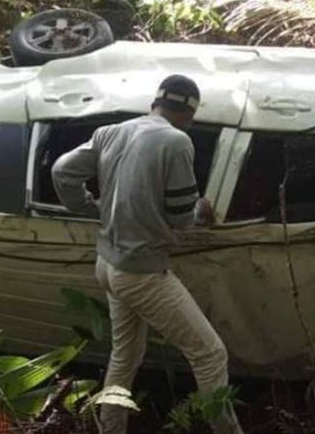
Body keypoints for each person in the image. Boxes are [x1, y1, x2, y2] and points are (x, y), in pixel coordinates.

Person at [52, 75, 243, 434]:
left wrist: (92, 208)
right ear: (189, 112)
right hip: (141, 272)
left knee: (125, 356)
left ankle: (111, 428)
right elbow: (181, 218)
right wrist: (203, 212)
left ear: (156, 103)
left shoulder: (112, 131)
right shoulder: (175, 141)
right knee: (209, 354)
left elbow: (62, 171)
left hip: (107, 264)